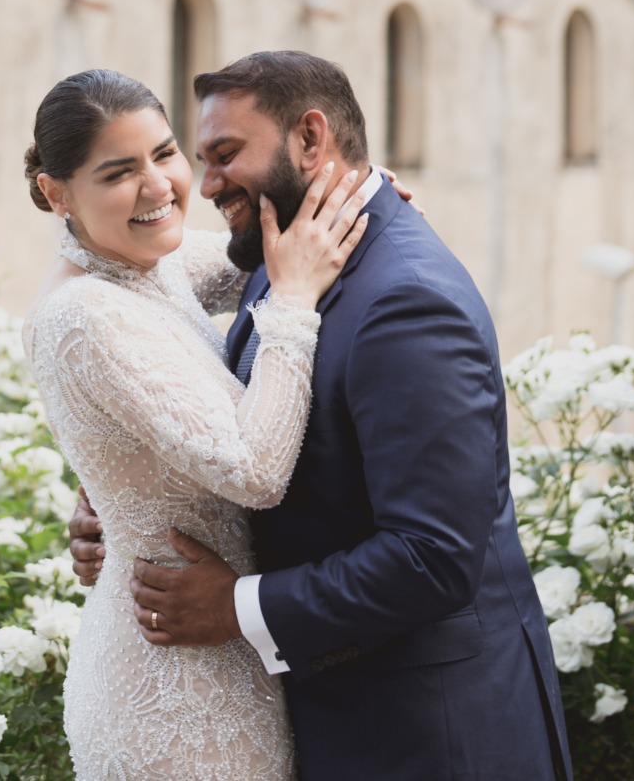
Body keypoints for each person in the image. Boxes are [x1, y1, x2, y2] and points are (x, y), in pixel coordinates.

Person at [70, 50, 573, 781]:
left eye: (225, 155)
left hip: (431, 735)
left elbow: (432, 557)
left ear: (311, 139)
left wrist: (235, 606)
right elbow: (228, 413)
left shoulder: (405, 302)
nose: (205, 185)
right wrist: (127, 506)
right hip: (340, 715)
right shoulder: (284, 252)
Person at [21, 67, 373, 781]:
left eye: (164, 152)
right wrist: (296, 304)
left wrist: (361, 190)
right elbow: (257, 468)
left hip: (215, 648)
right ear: (56, 192)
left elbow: (262, 253)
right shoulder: (85, 312)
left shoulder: (148, 262)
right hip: (172, 691)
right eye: (118, 171)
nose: (159, 186)